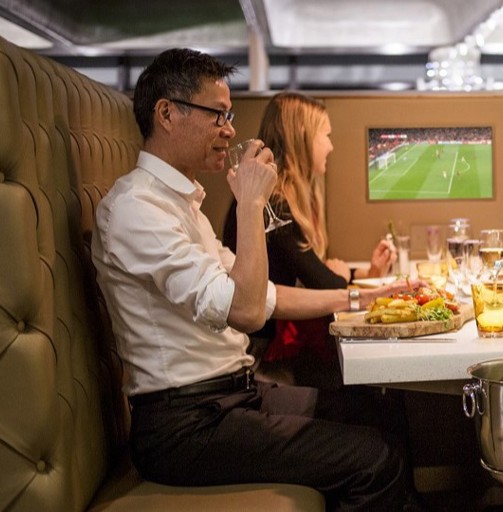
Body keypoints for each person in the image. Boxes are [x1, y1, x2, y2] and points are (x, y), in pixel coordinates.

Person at [90, 48, 417, 512]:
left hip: (232, 397)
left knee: (375, 407)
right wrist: (248, 202)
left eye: (229, 114)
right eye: (218, 114)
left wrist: (360, 298)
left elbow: (265, 296)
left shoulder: (181, 205)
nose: (230, 128)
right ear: (166, 113)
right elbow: (244, 313)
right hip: (186, 427)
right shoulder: (136, 209)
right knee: (373, 459)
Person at [222, 92, 396, 387]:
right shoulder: (275, 203)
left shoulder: (285, 196)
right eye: (325, 135)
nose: (330, 146)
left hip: (274, 343)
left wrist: (361, 273)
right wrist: (342, 276)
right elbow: (326, 282)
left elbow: (313, 268)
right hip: (260, 355)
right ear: (303, 137)